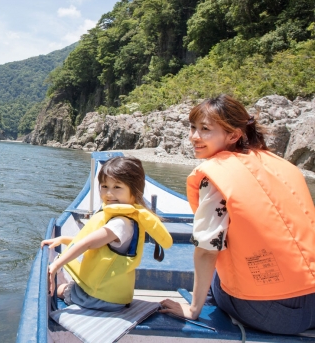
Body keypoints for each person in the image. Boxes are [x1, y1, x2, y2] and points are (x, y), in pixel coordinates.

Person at [159, 94, 315, 335]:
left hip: (277, 314)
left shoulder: (217, 174)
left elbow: (206, 249)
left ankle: (204, 312)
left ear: (233, 135)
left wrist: (192, 309)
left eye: (205, 129)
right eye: (193, 128)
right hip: (311, 303)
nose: (194, 137)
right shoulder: (278, 164)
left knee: (216, 273)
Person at [41, 156, 172, 310]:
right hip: (111, 296)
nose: (109, 193)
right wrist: (64, 239)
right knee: (64, 278)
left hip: (99, 298)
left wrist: (55, 266)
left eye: (117, 187)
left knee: (61, 289)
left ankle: (63, 289)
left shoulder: (120, 223)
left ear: (135, 191)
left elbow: (88, 243)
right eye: (104, 186)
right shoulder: (124, 217)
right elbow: (96, 243)